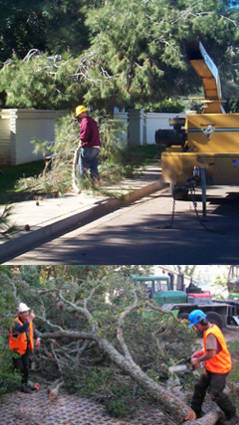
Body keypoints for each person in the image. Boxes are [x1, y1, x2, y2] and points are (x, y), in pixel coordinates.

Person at [188, 309, 237, 425]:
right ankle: (195, 411)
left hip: (220, 367)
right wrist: (198, 354)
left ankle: (233, 416)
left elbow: (211, 353)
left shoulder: (210, 334)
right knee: (199, 386)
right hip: (212, 366)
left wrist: (197, 360)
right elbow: (209, 348)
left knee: (215, 393)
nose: (195, 328)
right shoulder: (212, 327)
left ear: (200, 322)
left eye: (195, 325)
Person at [9, 302, 40, 393]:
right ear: (20, 314)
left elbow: (32, 331)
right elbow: (21, 330)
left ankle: (24, 386)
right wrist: (29, 320)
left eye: (27, 312)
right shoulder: (15, 323)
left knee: (26, 368)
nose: (27, 314)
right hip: (16, 350)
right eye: (24, 312)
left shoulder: (28, 321)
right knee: (20, 368)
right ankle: (15, 383)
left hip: (26, 348)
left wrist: (37, 338)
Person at [75, 105, 101, 182]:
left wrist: (81, 139)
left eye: (79, 114)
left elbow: (84, 134)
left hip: (89, 147)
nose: (79, 116)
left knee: (82, 164)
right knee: (93, 165)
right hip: (96, 147)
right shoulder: (92, 121)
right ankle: (95, 182)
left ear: (83, 113)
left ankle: (82, 182)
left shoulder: (85, 121)